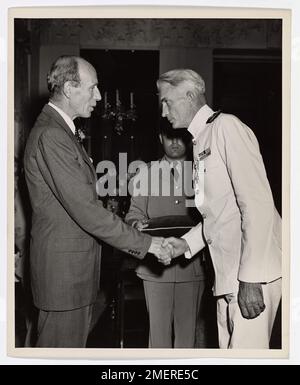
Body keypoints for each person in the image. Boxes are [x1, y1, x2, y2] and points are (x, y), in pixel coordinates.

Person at [23, 55, 171, 348]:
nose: (99, 96)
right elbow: (86, 211)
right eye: (92, 88)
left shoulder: (60, 130)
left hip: (72, 274)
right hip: (64, 278)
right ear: (68, 88)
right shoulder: (52, 135)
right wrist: (148, 244)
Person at [157, 69, 282, 349]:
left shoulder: (227, 127)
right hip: (227, 277)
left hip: (251, 275)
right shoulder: (201, 139)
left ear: (190, 95)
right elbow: (221, 213)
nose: (164, 112)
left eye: (167, 102)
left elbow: (257, 204)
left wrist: (251, 279)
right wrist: (184, 245)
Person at [125, 124, 207, 348]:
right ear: (160, 137)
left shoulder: (201, 171)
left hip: (191, 266)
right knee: (158, 334)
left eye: (181, 137)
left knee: (186, 335)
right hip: (155, 266)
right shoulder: (146, 173)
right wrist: (135, 223)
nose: (175, 142)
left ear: (190, 139)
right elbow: (133, 213)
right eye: (169, 136)